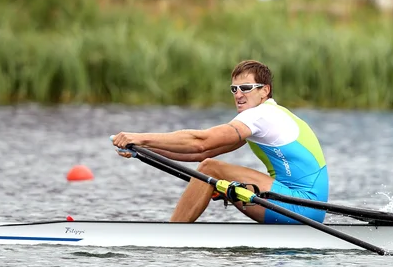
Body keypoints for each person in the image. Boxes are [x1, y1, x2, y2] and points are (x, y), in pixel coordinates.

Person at [111, 60, 330, 224]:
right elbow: (197, 153)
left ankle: (172, 233)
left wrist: (139, 137)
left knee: (211, 169)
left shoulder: (261, 115)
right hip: (304, 207)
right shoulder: (266, 117)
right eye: (234, 89)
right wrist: (143, 149)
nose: (238, 94)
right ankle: (179, 230)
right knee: (209, 168)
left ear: (265, 90)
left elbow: (201, 142)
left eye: (246, 88)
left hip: (302, 205)